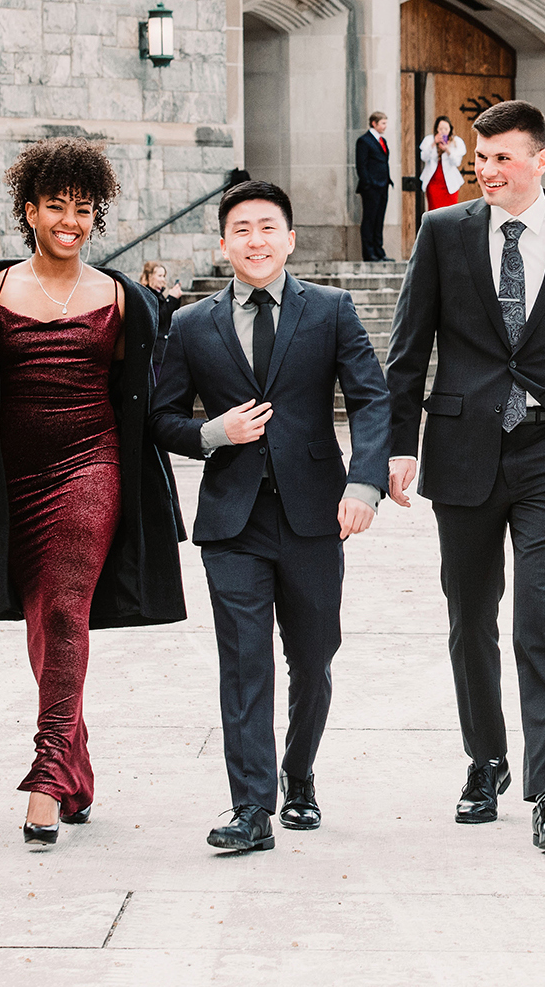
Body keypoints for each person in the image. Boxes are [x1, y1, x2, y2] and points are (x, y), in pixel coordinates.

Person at [0, 139, 187, 848]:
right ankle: (77, 762)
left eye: (83, 208)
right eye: (56, 206)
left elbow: (147, 400)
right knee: (42, 626)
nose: (70, 220)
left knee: (67, 612)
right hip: (10, 483)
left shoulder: (123, 298)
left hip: (89, 469)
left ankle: (45, 774)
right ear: (30, 210)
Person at [385, 99, 545, 854]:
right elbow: (407, 346)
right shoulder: (444, 231)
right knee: (470, 616)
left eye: (500, 158)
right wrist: (398, 445)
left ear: (540, 160)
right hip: (462, 447)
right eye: (479, 159)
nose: (486, 170)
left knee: (541, 618)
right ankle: (485, 760)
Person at [151, 180, 391, 853]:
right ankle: (251, 807)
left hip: (316, 514)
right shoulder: (191, 324)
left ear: (289, 239)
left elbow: (371, 399)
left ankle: (300, 772)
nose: (255, 241)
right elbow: (161, 417)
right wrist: (214, 431)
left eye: (268, 228)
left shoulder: (332, 310)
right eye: (241, 230)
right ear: (221, 243)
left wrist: (364, 483)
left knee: (313, 659)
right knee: (244, 662)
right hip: (232, 523)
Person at [355, 111, 394, 259]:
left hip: (383, 186)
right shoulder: (364, 141)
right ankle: (369, 252)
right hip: (371, 188)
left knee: (379, 219)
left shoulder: (381, 140)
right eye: (383, 123)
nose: (385, 126)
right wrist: (368, 184)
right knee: (370, 220)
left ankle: (379, 251)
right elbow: (361, 165)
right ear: (374, 123)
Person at [420, 116, 466, 212]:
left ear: (450, 129)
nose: (443, 131)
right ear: (437, 129)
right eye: (440, 129)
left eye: (446, 129)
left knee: (451, 211)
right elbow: (424, 157)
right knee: (434, 211)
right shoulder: (429, 140)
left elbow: (457, 162)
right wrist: (434, 143)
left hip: (450, 183)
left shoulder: (456, 141)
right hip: (434, 182)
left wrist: (447, 149)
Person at [140, 260, 185, 336]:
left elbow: (171, 316)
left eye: (164, 276)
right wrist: (171, 299)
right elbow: (158, 318)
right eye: (160, 276)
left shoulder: (160, 293)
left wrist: (176, 298)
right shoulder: (146, 294)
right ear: (150, 276)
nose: (163, 279)